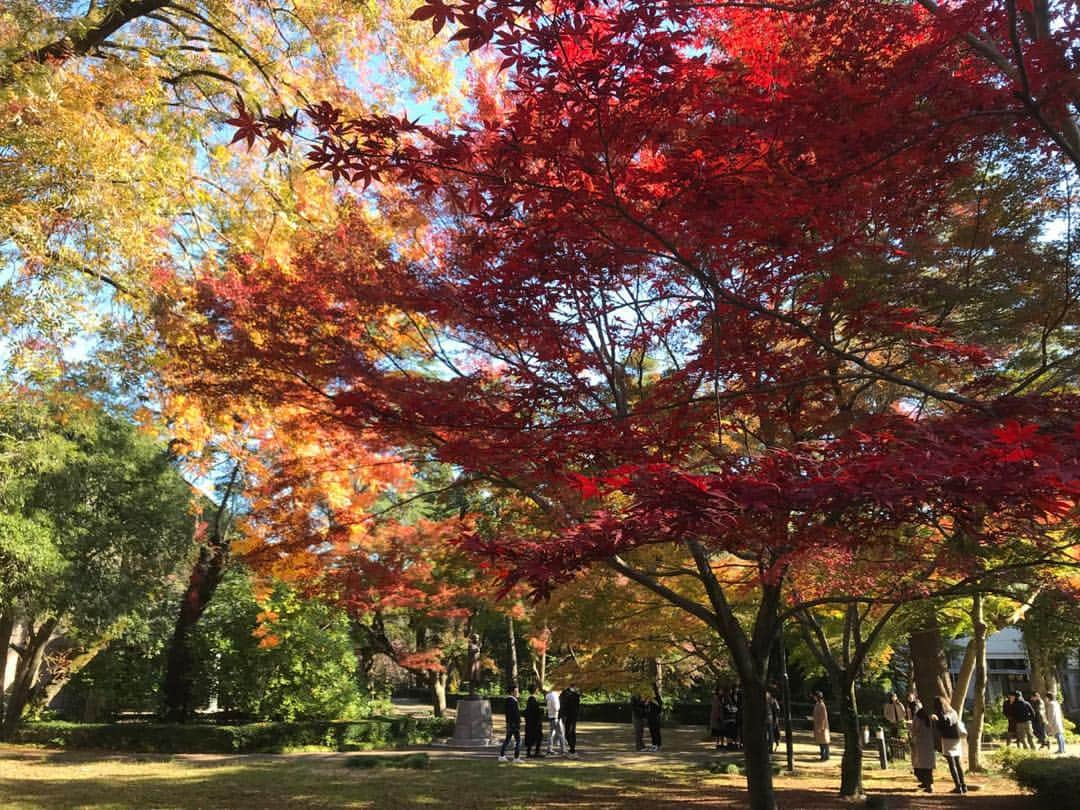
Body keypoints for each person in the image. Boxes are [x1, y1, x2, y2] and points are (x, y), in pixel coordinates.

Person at [933, 696, 967, 795]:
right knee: (957, 763)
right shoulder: (953, 712)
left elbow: (942, 726)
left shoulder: (942, 714)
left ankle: (958, 787)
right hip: (956, 739)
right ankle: (963, 786)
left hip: (947, 740)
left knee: (952, 764)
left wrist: (935, 719)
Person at [910, 704, 936, 793]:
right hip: (928, 744)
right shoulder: (930, 718)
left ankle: (928, 785)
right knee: (927, 767)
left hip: (920, 743)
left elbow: (914, 729)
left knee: (919, 766)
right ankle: (926, 783)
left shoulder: (917, 718)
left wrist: (912, 739)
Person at [498, 686, 522, 763]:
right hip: (514, 724)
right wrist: (517, 722)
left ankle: (502, 755)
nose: (517, 693)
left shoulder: (509, 700)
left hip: (510, 723)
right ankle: (516, 757)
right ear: (512, 692)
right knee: (518, 740)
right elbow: (514, 714)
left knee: (507, 740)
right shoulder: (512, 701)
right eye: (516, 691)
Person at [545, 685, 567, 755]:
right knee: (561, 733)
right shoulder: (555, 696)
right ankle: (563, 749)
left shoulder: (548, 696)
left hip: (551, 716)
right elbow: (556, 707)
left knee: (551, 733)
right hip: (556, 716)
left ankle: (549, 748)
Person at [560, 683, 581, 757]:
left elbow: (563, 705)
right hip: (569, 716)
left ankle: (572, 748)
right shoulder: (568, 694)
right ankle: (572, 748)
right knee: (569, 732)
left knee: (570, 732)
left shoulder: (570, 694)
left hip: (570, 716)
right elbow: (563, 705)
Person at [524, 685, 544, 758]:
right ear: (535, 690)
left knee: (535, 737)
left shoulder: (531, 699)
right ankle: (534, 752)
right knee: (536, 736)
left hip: (532, 722)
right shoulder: (532, 700)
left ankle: (533, 751)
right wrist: (541, 711)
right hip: (534, 723)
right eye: (537, 690)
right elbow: (534, 711)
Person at [812, 691, 830, 761]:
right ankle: (823, 755)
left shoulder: (822, 705)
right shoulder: (817, 704)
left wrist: (821, 727)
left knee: (824, 742)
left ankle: (826, 756)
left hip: (822, 726)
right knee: (821, 742)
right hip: (818, 725)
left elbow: (823, 717)